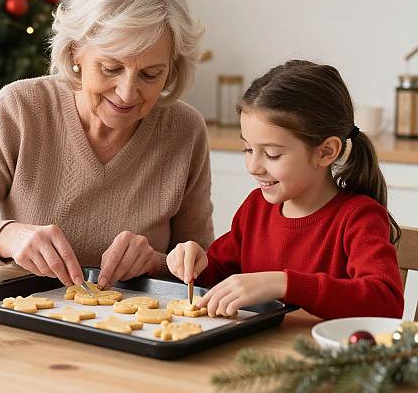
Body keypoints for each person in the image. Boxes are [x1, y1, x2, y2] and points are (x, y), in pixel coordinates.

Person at [0, 0, 214, 289]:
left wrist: (158, 262)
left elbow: (205, 267)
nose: (128, 93)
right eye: (110, 68)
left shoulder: (185, 130)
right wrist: (8, 236)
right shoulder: (22, 108)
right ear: (75, 52)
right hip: (28, 326)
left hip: (136, 331)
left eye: (150, 74)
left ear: (172, 68)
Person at [167, 60, 404, 320]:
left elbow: (385, 303)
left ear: (325, 152)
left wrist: (285, 284)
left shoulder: (360, 218)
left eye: (272, 154)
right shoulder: (256, 207)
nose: (253, 167)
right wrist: (193, 261)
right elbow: (219, 272)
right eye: (248, 149)